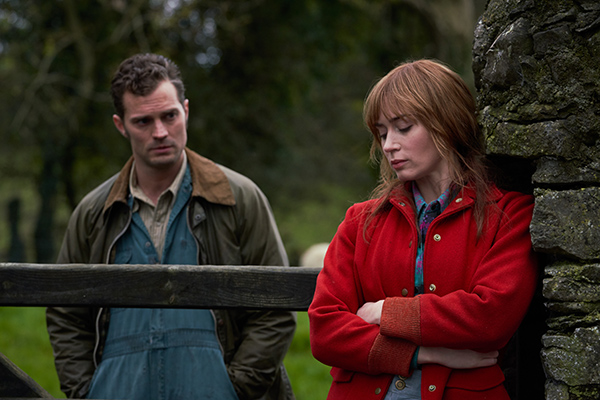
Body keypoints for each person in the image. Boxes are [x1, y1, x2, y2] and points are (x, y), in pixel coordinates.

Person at [46, 53, 296, 400]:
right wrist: (86, 392)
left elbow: (276, 306)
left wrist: (237, 388)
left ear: (186, 111)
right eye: (143, 121)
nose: (160, 132)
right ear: (120, 125)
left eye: (169, 116)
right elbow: (65, 314)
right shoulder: (94, 213)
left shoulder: (238, 198)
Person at [308, 59, 538, 400]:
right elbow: (325, 331)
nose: (388, 145)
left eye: (403, 127)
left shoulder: (509, 214)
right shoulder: (360, 221)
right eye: (382, 133)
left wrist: (382, 312)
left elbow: (489, 317)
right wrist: (425, 353)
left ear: (447, 123)